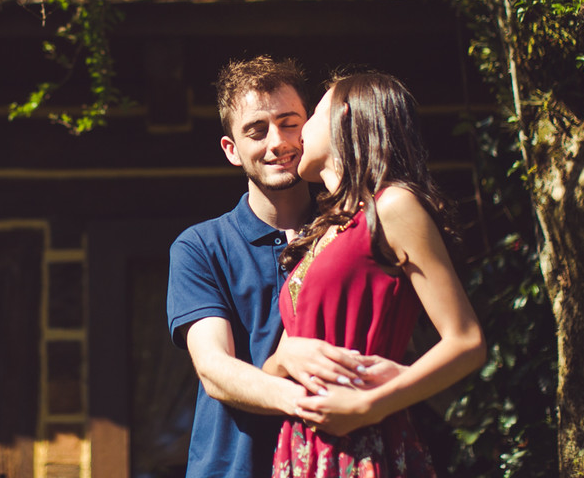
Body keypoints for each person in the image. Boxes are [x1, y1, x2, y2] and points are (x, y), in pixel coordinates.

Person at [167, 56, 397, 478]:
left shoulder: (354, 229)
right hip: (235, 468)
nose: (277, 142)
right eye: (256, 131)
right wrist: (308, 401)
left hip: (343, 461)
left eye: (289, 122)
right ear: (232, 150)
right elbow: (214, 369)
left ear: (311, 127)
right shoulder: (199, 247)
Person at [263, 71, 487, 477]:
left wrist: (372, 404)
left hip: (367, 440)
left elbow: (467, 341)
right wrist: (284, 358)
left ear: (343, 117)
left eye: (312, 114)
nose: (297, 135)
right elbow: (273, 369)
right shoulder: (321, 234)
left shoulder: (392, 207)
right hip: (302, 449)